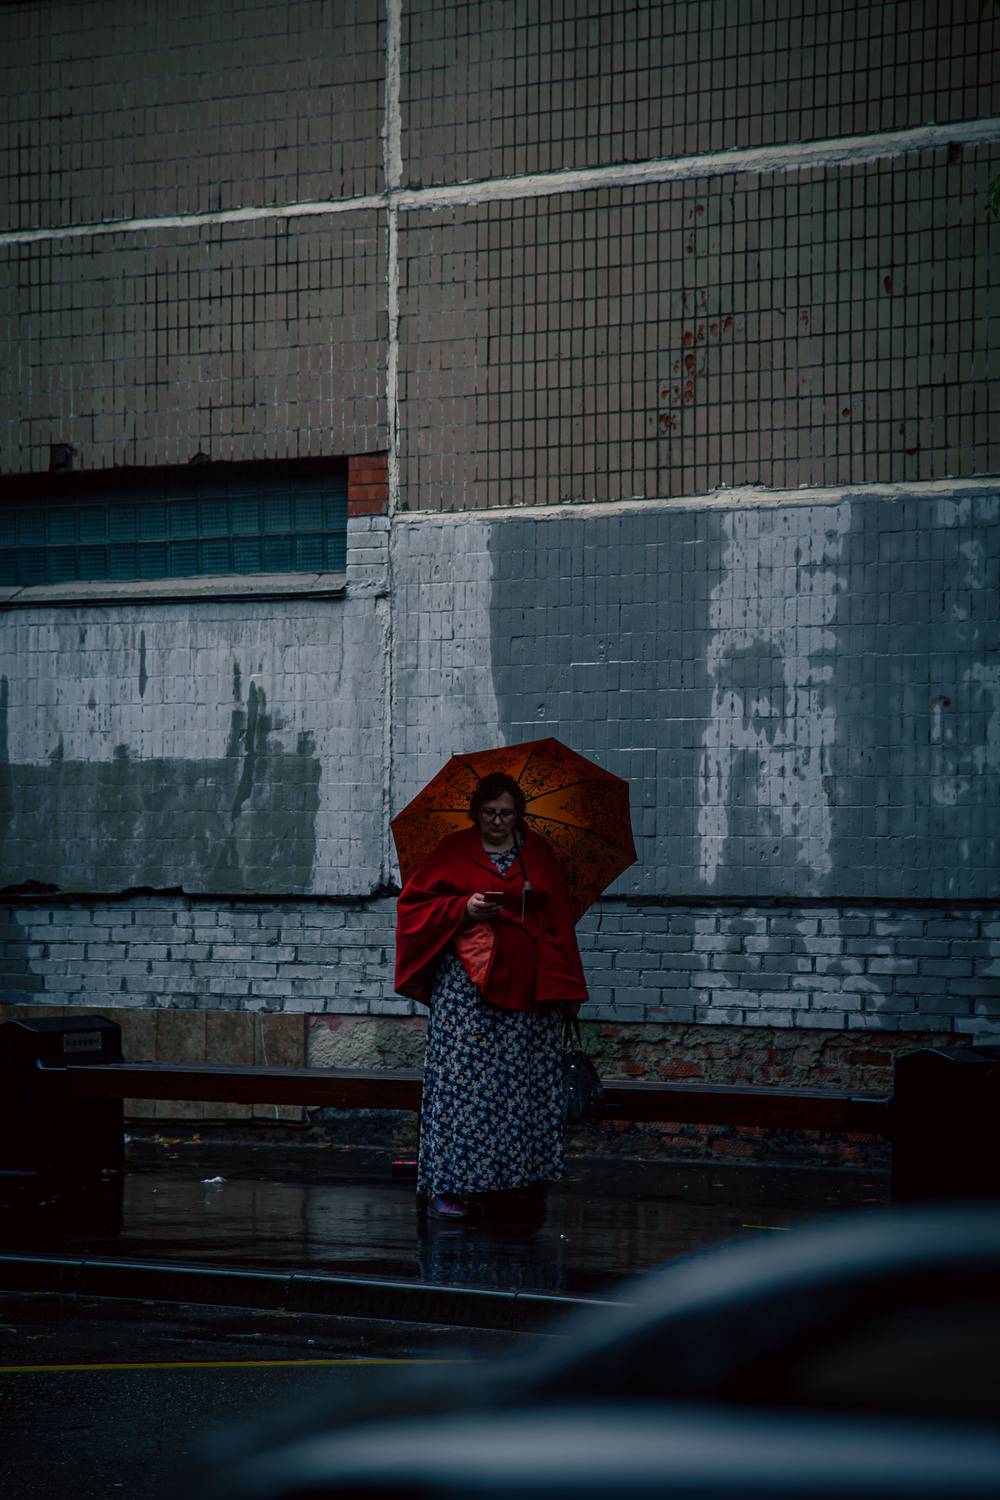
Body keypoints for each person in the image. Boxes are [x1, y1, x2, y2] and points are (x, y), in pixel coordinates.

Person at [395, 771, 588, 1221]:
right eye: (489, 813)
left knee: (520, 1088)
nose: (498, 821)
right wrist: (462, 907)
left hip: (529, 990)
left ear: (519, 814)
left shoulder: (538, 853)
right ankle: (450, 1186)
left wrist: (568, 987)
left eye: (506, 813)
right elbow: (413, 907)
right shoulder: (452, 850)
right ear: (475, 813)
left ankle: (515, 1184)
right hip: (466, 992)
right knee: (464, 1089)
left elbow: (560, 921)